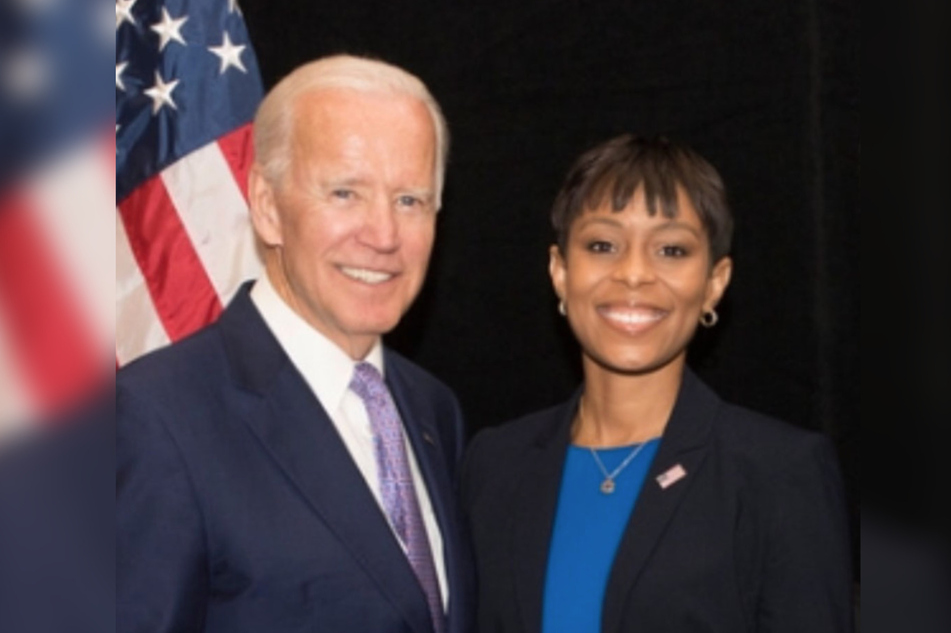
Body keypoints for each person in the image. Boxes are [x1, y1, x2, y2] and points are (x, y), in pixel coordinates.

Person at [117, 54, 473, 633]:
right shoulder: (155, 418)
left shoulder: (434, 410)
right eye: (344, 194)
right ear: (266, 207)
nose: (384, 235)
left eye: (410, 200)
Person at [461, 134, 853, 632]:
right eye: (602, 245)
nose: (633, 274)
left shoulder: (779, 473)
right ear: (560, 271)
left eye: (671, 249)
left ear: (715, 282)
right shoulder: (492, 466)